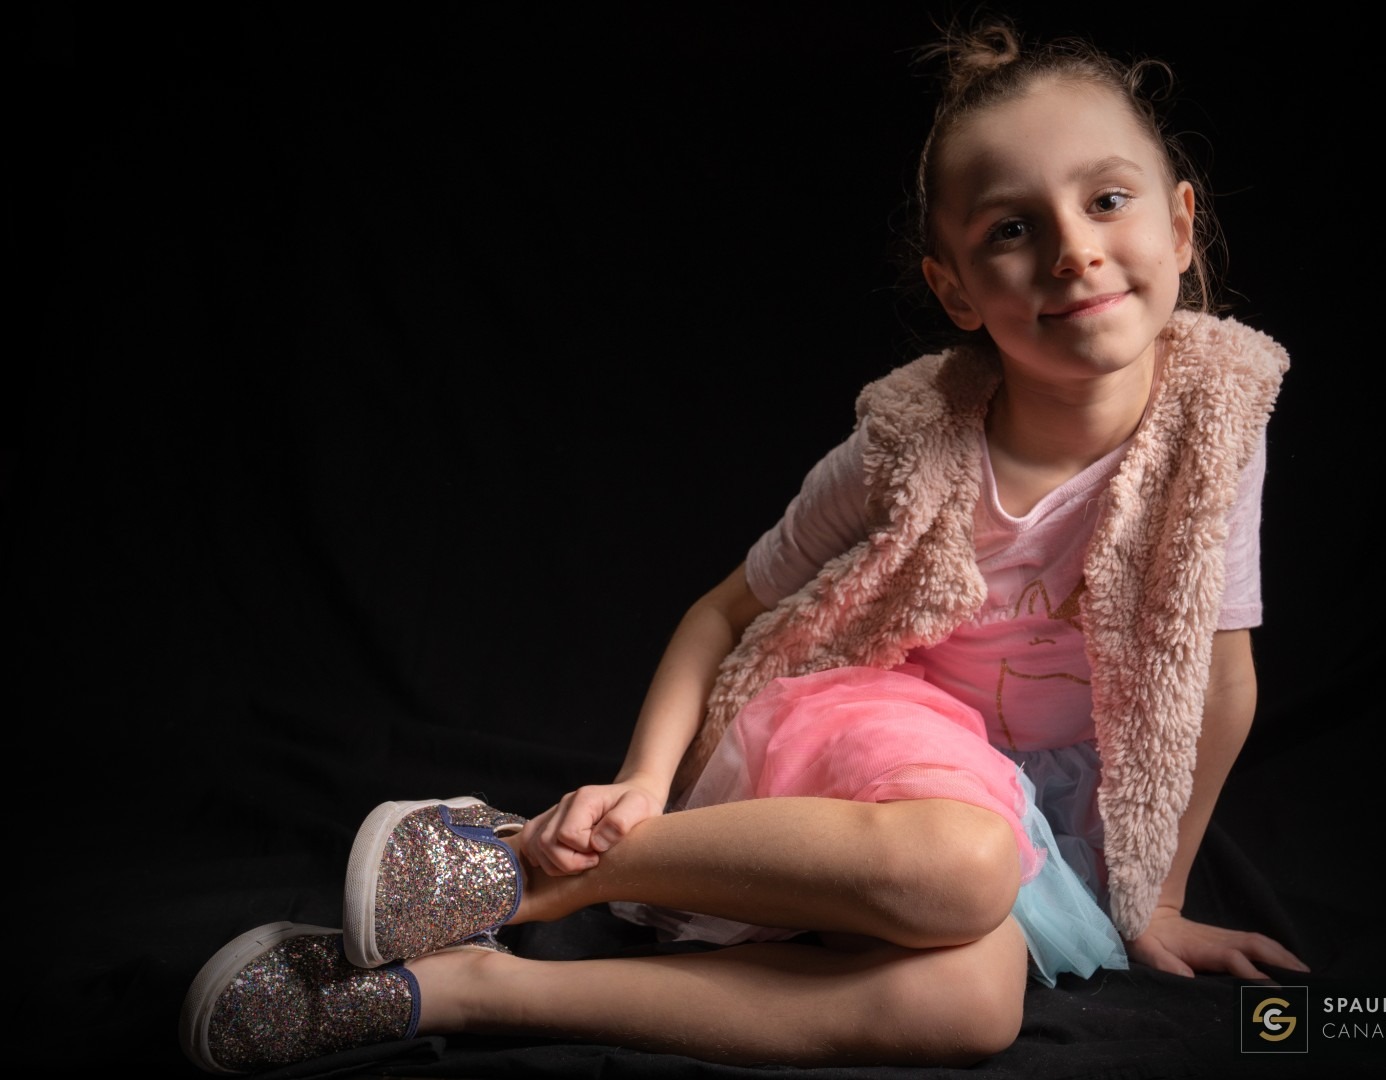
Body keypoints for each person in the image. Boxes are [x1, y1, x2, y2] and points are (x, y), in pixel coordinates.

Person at [179, 14, 1307, 1074]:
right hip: (871, 741)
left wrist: (1155, 897)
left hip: (1019, 815)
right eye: (1010, 229)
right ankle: (513, 870)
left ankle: (464, 991)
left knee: (968, 1008)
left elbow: (1214, 680)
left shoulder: (1211, 431)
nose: (1071, 251)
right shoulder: (910, 446)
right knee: (964, 862)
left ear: (1179, 224)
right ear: (955, 289)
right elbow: (723, 612)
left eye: (1106, 200)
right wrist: (639, 783)